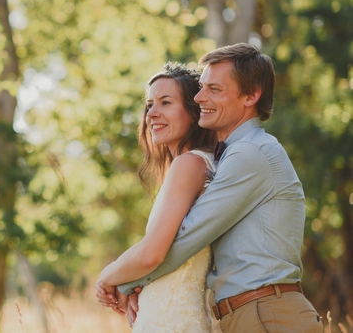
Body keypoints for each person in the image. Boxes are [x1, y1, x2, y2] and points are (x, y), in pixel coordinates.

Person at [108, 43, 323, 333]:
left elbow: (186, 238)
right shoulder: (226, 157)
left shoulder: (249, 153)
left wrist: (122, 280)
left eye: (214, 89)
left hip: (267, 314)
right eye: (201, 88)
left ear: (251, 96)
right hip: (251, 313)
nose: (199, 98)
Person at [95, 63, 217, 332]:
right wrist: (139, 282)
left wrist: (107, 277)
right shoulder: (195, 166)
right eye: (149, 104)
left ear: (194, 111)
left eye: (165, 102)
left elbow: (152, 253)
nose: (152, 114)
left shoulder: (190, 164)